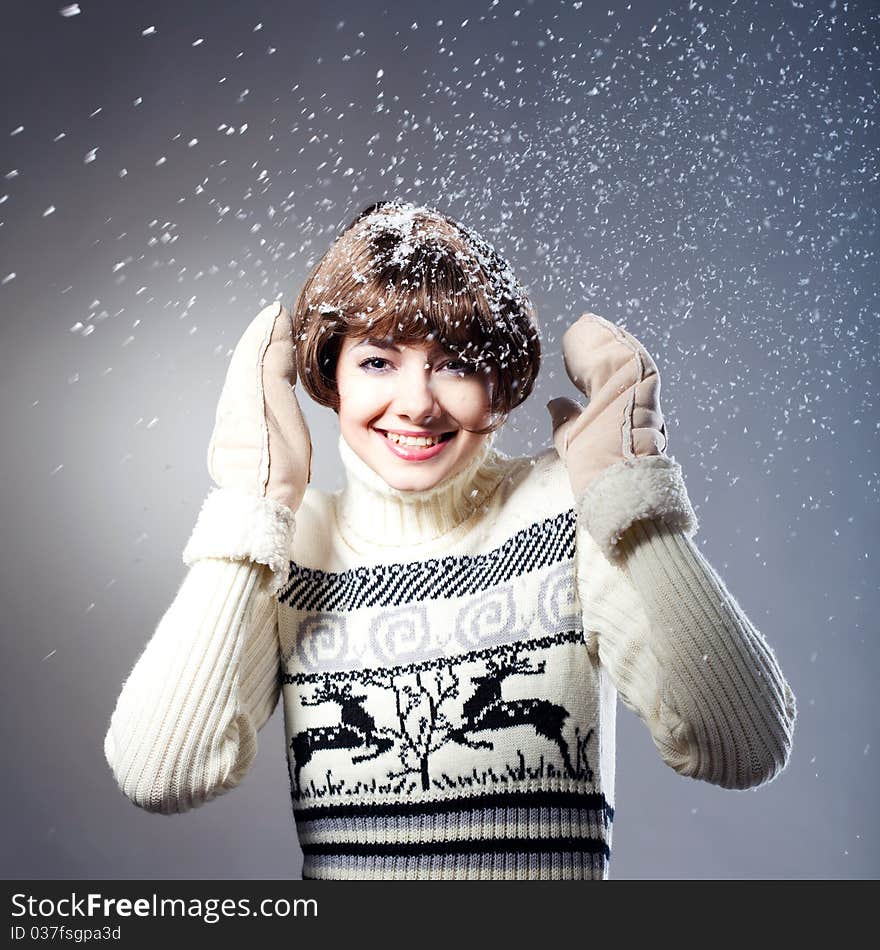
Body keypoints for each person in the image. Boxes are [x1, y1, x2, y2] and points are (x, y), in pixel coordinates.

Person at [104, 200, 797, 880]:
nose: (417, 403)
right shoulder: (290, 546)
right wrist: (254, 504)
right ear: (330, 374)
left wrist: (631, 501)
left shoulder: (571, 511)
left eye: (456, 363)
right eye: (378, 361)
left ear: (500, 381)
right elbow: (159, 773)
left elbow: (742, 746)